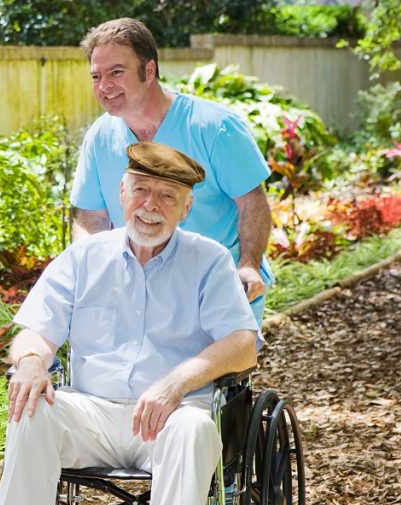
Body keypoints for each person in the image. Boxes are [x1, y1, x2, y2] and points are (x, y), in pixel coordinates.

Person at [0, 142, 261, 505]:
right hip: (93, 416)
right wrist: (32, 362)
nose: (150, 205)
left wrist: (178, 380)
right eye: (141, 190)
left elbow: (243, 344)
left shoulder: (208, 262)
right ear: (121, 192)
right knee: (32, 409)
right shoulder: (83, 258)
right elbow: (34, 331)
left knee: (193, 426)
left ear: (187, 207)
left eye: (167, 196)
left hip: (170, 416)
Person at [69, 17, 273, 321]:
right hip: (141, 302)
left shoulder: (215, 127)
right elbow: (89, 217)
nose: (104, 86)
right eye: (96, 76)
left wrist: (248, 265)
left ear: (149, 71)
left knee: (211, 371)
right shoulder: (99, 138)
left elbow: (252, 203)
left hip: (219, 295)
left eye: (116, 72)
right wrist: (93, 268)